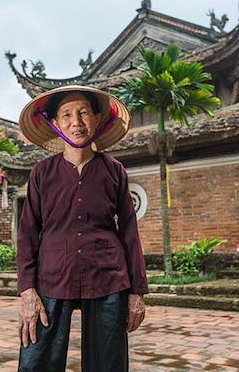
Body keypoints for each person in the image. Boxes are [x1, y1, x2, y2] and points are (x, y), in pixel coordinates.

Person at [16, 85, 149, 372]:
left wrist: (137, 292)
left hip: (107, 276)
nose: (76, 122)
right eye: (66, 115)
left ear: (98, 118)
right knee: (36, 360)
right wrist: (27, 289)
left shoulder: (114, 171)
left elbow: (129, 231)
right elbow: (27, 233)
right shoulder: (42, 173)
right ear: (55, 123)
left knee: (108, 363)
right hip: (51, 276)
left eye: (83, 112)